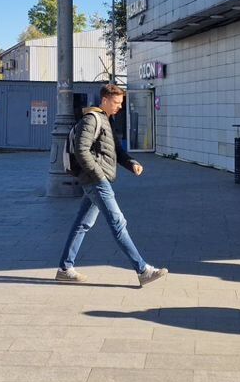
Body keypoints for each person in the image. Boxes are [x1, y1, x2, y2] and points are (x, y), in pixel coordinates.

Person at [57, 83, 167, 285]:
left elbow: (116, 150)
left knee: (82, 224)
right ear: (105, 100)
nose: (119, 106)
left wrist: (131, 163)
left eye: (121, 102)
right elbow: (81, 150)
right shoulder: (91, 119)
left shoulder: (106, 120)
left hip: (98, 179)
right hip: (96, 181)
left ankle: (65, 268)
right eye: (116, 102)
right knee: (118, 224)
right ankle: (143, 270)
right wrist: (98, 175)